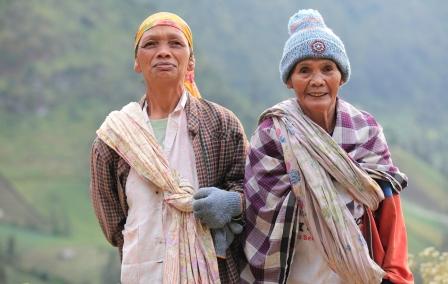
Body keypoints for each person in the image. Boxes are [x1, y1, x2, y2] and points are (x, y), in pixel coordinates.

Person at [242, 9, 413, 284]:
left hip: (355, 272)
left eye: (327, 68)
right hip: (293, 270)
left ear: (341, 76)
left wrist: (396, 274)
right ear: (289, 80)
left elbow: (388, 205)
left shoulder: (366, 130)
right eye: (304, 70)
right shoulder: (271, 133)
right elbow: (259, 205)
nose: (317, 80)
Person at [90, 12, 247, 284]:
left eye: (175, 43)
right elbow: (115, 226)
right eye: (150, 44)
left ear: (191, 61)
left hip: (210, 273)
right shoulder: (113, 139)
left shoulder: (221, 125)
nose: (163, 52)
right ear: (137, 62)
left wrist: (232, 202)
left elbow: (252, 191)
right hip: (142, 274)